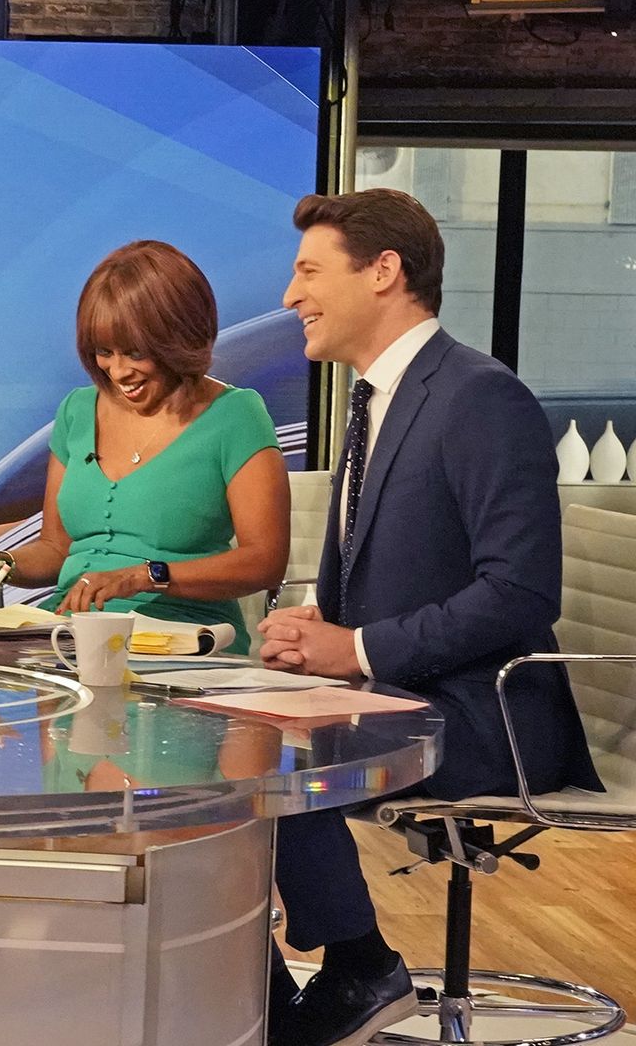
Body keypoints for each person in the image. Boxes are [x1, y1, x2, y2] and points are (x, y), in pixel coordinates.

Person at [258, 189, 602, 1046]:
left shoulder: (480, 396)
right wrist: (314, 636)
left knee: (266, 758)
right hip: (397, 695)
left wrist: (359, 648)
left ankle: (360, 965)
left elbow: (521, 593)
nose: (290, 295)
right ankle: (268, 991)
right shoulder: (376, 401)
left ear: (384, 272)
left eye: (308, 271)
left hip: (488, 716)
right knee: (230, 732)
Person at [0, 240, 289, 655]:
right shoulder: (77, 411)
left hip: (180, 643)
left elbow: (264, 562)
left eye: (136, 353)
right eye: (104, 352)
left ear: (181, 338)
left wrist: (142, 576)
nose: (118, 371)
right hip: (68, 638)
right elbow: (55, 549)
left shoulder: (237, 414)